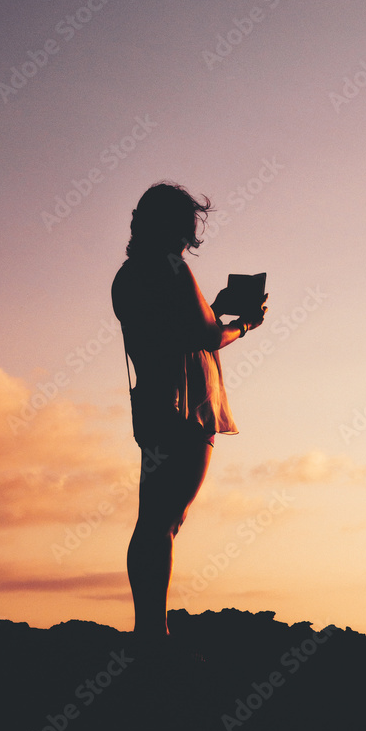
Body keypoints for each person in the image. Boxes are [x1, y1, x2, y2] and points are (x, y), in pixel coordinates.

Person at [111, 181, 268, 644]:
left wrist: (213, 310)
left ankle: (148, 629)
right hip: (187, 408)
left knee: (154, 519)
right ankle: (152, 634)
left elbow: (176, 326)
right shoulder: (172, 267)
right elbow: (205, 336)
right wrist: (242, 325)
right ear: (180, 226)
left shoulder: (128, 274)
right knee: (165, 521)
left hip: (155, 403)